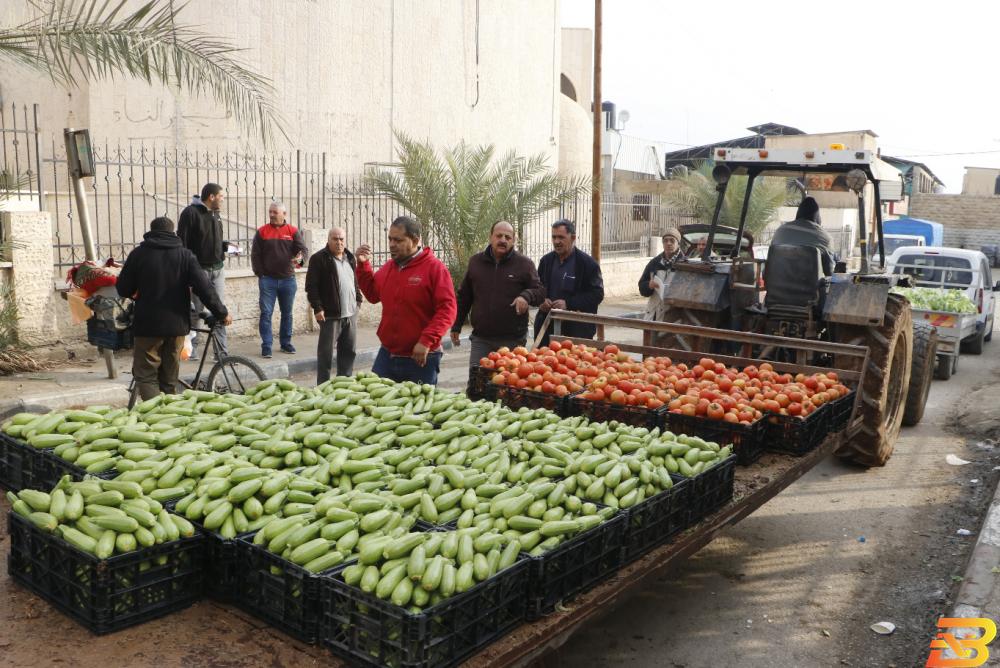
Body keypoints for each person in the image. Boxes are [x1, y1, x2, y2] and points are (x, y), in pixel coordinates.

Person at [116, 217, 231, 400]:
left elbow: (123, 289)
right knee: (170, 378)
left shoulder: (138, 254)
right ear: (173, 233)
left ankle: (156, 416)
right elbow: (205, 288)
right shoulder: (185, 255)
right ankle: (169, 414)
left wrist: (137, 289)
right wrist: (221, 312)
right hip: (176, 326)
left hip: (148, 325)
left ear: (150, 232)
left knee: (146, 375)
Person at [355, 216, 457, 385]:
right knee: (376, 405)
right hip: (388, 355)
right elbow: (373, 295)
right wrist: (363, 266)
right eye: (390, 239)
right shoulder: (389, 268)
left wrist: (426, 341)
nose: (392, 244)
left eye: (398, 240)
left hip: (421, 357)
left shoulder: (435, 268)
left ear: (415, 240)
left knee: (417, 410)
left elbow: (447, 309)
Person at [450, 221, 546, 369]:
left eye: (508, 237)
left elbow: (539, 292)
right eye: (499, 236)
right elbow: (465, 296)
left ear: (514, 240)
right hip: (481, 339)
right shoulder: (476, 262)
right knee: (477, 384)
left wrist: (526, 296)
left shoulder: (524, 264)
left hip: (513, 341)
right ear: (490, 237)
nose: (503, 240)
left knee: (507, 387)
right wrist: (457, 325)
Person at [177, 182, 229, 361]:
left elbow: (212, 238)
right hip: (199, 271)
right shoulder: (190, 213)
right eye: (221, 196)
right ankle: (192, 350)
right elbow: (182, 244)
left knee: (219, 309)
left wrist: (223, 248)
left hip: (218, 269)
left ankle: (221, 353)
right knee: (196, 312)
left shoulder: (216, 213)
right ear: (211, 197)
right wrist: (187, 273)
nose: (223, 200)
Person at [534, 219, 604, 347]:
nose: (556, 242)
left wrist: (568, 304)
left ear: (573, 238)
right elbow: (537, 288)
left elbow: (597, 294)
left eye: (561, 237)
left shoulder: (587, 264)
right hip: (546, 328)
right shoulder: (546, 261)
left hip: (577, 331)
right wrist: (541, 300)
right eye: (554, 237)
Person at [251, 201, 308, 358]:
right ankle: (267, 345)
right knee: (266, 313)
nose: (271, 214)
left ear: (284, 214)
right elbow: (255, 254)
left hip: (288, 280)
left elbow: (303, 250)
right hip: (267, 280)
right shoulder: (262, 232)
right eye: (270, 212)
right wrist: (260, 274)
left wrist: (300, 258)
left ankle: (285, 343)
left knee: (287, 313)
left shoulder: (292, 231)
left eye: (275, 212)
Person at [306, 227, 361, 383]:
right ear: (328, 240)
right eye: (335, 239)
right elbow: (311, 286)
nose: (339, 242)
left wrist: (358, 300)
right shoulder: (319, 259)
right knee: (326, 355)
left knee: (349, 352)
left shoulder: (350, 257)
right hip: (331, 315)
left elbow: (354, 281)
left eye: (341, 239)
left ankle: (344, 385)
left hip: (350, 314)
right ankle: (323, 388)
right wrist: (317, 308)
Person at [769, 196, 835, 275]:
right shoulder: (825, 238)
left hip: (775, 285)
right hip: (810, 286)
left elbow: (770, 261)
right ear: (818, 217)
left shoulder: (780, 231)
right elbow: (829, 272)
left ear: (798, 213)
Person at [638, 228, 685, 297]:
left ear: (678, 244)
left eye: (672, 241)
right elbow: (642, 287)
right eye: (665, 241)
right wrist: (649, 286)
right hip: (656, 307)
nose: (668, 243)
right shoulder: (654, 263)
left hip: (675, 306)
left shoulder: (685, 264)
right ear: (662, 243)